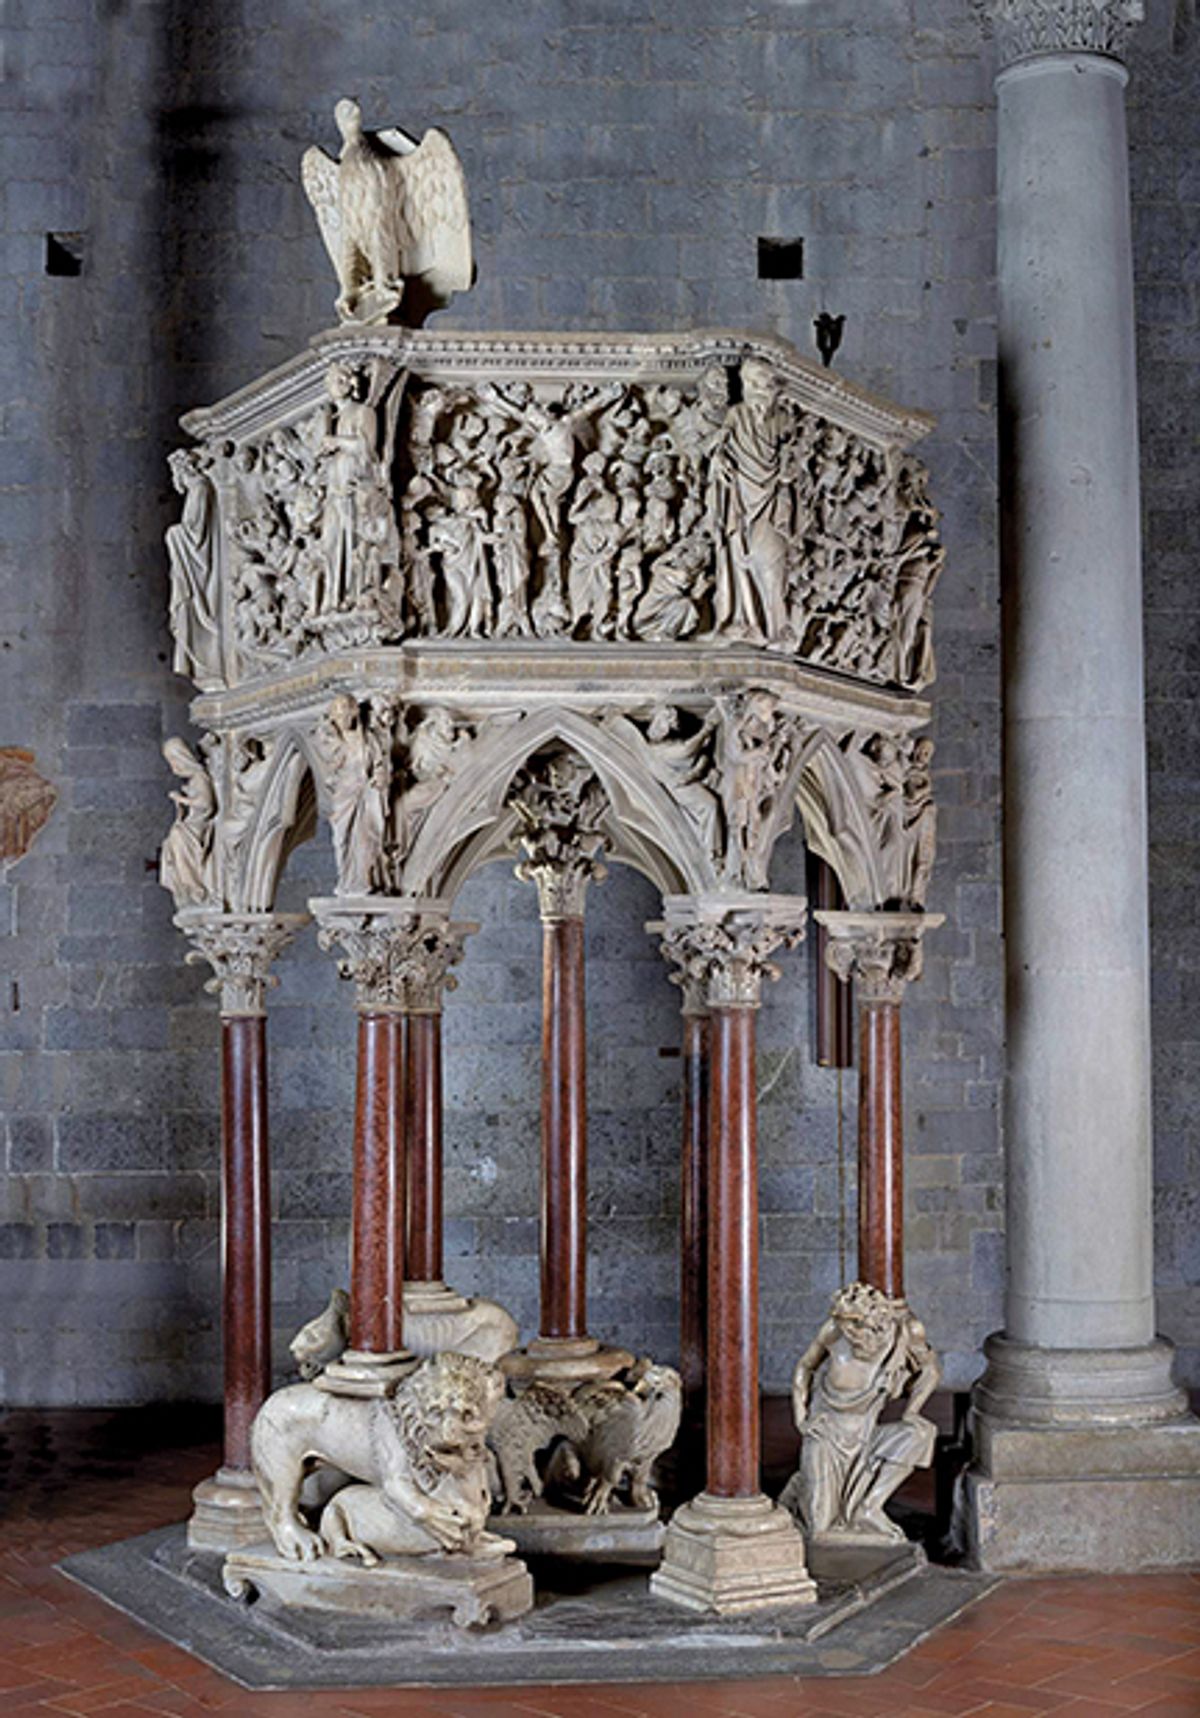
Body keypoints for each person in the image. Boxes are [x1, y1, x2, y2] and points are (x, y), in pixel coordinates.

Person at [782, 1281, 940, 1542]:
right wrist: (801, 1418)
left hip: (866, 1438)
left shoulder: (904, 1333)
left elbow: (930, 1371)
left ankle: (869, 1508)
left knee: (920, 1434)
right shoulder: (834, 1332)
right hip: (826, 1435)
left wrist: (912, 1411)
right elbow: (805, 1367)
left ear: (877, 1322)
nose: (850, 1334)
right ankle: (801, 1488)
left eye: (857, 1326)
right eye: (845, 1326)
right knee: (820, 1529)